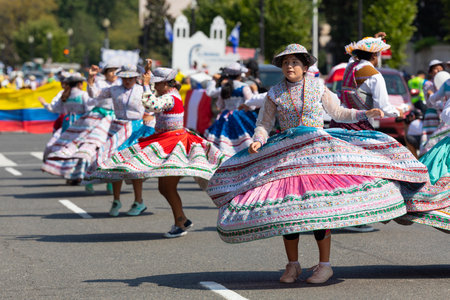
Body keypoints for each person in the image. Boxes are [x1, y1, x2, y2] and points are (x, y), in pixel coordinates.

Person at [206, 44, 429, 284]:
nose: (289, 66)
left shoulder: (317, 87)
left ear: (304, 66)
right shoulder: (274, 93)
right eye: (285, 63)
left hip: (317, 154)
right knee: (288, 210)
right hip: (287, 156)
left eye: (294, 62)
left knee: (318, 210)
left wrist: (366, 114)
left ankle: (325, 266)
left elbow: (339, 113)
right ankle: (293, 265)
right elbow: (264, 123)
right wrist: (258, 140)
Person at [87, 63, 225, 238]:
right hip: (167, 140)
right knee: (165, 187)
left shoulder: (169, 97)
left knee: (166, 187)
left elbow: (150, 104)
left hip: (174, 143)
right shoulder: (170, 95)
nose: (155, 86)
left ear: (166, 84)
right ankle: (181, 219)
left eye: (157, 84)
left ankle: (180, 222)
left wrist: (145, 85)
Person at [329, 33, 403, 232]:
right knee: (368, 171)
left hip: (339, 123)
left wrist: (373, 38)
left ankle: (347, 214)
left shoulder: (350, 66)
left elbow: (356, 54)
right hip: (359, 127)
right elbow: (384, 106)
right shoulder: (373, 74)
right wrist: (400, 112)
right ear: (375, 55)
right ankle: (358, 217)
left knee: (345, 171)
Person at [86, 64, 154, 217]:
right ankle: (116, 200)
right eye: (125, 77)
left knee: (135, 166)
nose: (128, 80)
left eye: (131, 77)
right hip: (117, 128)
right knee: (114, 164)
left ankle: (139, 201)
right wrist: (91, 79)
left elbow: (151, 108)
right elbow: (94, 94)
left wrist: (149, 126)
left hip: (136, 129)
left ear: (136, 77)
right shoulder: (114, 89)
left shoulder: (141, 89)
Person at [39, 73, 95, 183]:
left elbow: (54, 109)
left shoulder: (65, 95)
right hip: (81, 123)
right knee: (79, 149)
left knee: (66, 148)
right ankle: (77, 174)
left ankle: (68, 173)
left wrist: (44, 104)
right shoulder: (83, 95)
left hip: (67, 123)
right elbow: (89, 109)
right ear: (79, 84)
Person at [204, 62, 258, 158]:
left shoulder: (224, 88)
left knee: (224, 142)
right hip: (241, 117)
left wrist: (213, 80)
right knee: (247, 140)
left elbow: (218, 103)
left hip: (226, 117)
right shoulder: (244, 87)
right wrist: (255, 91)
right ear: (240, 74)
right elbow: (252, 105)